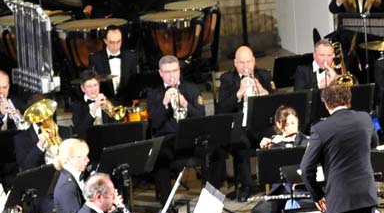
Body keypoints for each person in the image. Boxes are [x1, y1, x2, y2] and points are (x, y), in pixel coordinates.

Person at [300, 83, 378, 213]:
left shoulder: (320, 129)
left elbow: (306, 169)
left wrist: (318, 195)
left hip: (340, 200)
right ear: (349, 100)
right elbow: (374, 145)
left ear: (326, 104)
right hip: (366, 195)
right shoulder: (365, 119)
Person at [251, 106, 318, 213]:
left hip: (303, 194)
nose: (292, 127)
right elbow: (266, 174)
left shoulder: (307, 142)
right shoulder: (274, 144)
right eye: (288, 124)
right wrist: (264, 152)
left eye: (294, 123)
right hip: (281, 193)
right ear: (279, 126)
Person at [148, 55, 216, 200]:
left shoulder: (191, 89)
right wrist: (164, 103)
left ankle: (210, 197)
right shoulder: (154, 94)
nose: (172, 75)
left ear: (179, 70)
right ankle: (166, 202)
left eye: (174, 70)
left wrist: (186, 104)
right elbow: (155, 123)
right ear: (160, 73)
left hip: (191, 138)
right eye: (167, 72)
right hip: (169, 140)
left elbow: (201, 116)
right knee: (159, 156)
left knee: (215, 149)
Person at [217, 45, 273, 198]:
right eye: (242, 63)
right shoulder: (227, 79)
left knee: (274, 136)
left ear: (254, 61)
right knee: (241, 143)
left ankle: (273, 183)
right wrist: (239, 93)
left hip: (260, 124)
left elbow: (276, 102)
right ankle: (247, 187)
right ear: (235, 63)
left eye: (249, 62)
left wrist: (263, 91)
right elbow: (221, 109)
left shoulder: (264, 76)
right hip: (240, 126)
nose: (246, 66)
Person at [52, 138, 90, 213]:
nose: (87, 160)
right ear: (69, 160)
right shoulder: (66, 187)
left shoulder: (77, 176)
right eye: (83, 157)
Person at [89, 27, 139, 100]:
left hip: (127, 101)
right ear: (105, 41)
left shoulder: (131, 57)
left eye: (118, 41)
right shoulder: (95, 59)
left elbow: (135, 82)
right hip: (105, 102)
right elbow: (91, 84)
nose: (115, 46)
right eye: (112, 42)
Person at [71, 69, 120, 139]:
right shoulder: (77, 105)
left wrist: (110, 109)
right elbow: (80, 132)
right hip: (88, 144)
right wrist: (94, 108)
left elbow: (118, 127)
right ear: (82, 88)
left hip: (108, 141)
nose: (93, 89)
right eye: (89, 86)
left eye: (95, 85)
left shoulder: (109, 101)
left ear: (99, 85)